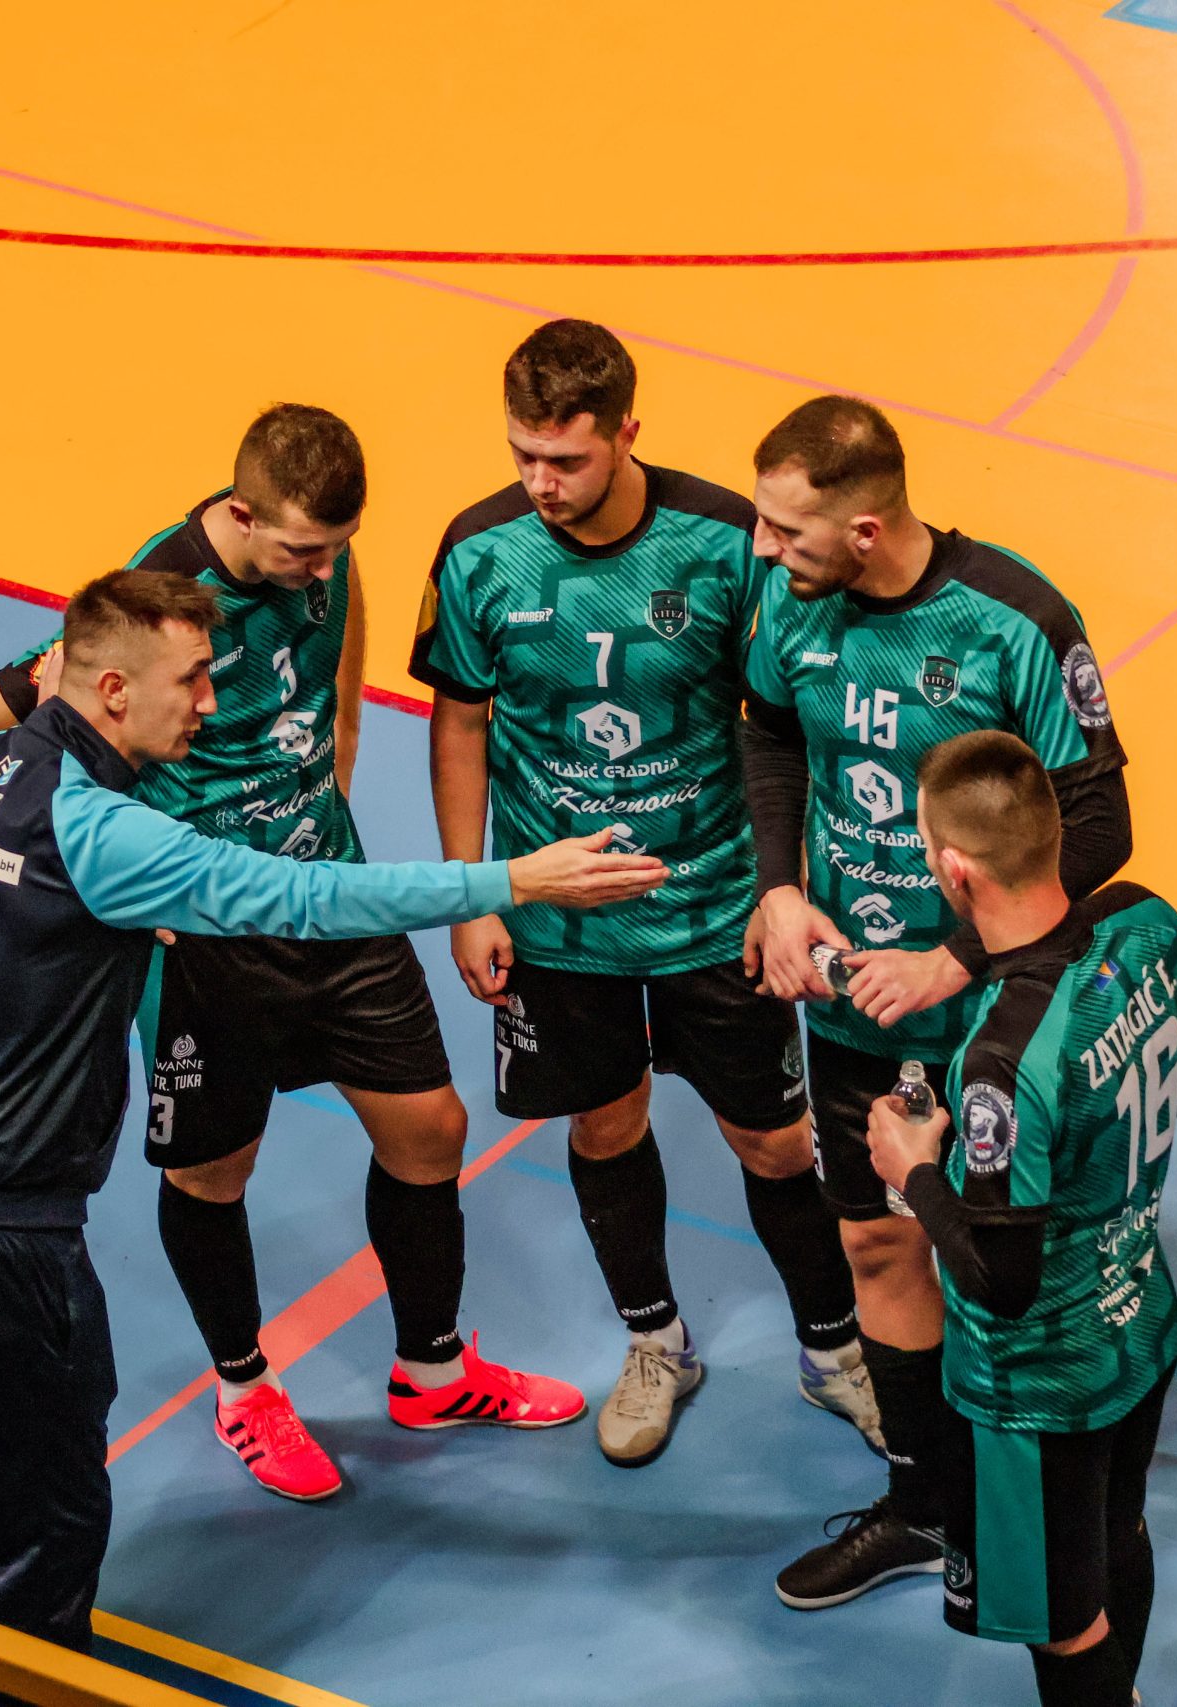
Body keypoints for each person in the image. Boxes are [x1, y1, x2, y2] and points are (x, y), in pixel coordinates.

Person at [0, 570, 660, 1694]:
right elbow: (304, 898)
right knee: (52, 1500)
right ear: (111, 690)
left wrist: (62, 925)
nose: (209, 700)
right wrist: (513, 880)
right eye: (192, 680)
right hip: (5, 1220)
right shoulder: (104, 832)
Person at [0, 405, 576, 1503]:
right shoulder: (158, 593)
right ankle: (244, 1389)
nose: (322, 569)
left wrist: (336, 764)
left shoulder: (323, 558)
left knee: (431, 1128)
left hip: (327, 891)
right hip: (208, 935)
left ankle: (431, 1371)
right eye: (302, 551)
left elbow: (335, 664)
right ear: (241, 513)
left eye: (336, 548)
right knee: (212, 1170)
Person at [409, 320, 870, 1467]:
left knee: (774, 1141)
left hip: (716, 907)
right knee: (605, 1122)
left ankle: (835, 1352)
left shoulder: (722, 543)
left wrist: (782, 887)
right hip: (561, 921)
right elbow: (460, 722)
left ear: (626, 434)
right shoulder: (478, 552)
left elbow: (780, 724)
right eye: (522, 455)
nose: (541, 483)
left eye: (565, 459)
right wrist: (472, 892)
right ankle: (656, 1341)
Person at [739, 395, 1134, 1608]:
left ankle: (1035, 1507)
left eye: (785, 529)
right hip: (854, 1011)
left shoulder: (1015, 622)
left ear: (864, 530)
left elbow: (1102, 825)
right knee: (874, 1239)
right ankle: (920, 1506)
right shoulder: (790, 601)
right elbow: (770, 734)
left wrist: (954, 960)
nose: (761, 549)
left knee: (1006, 1272)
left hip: (993, 1026)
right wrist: (779, 889)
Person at [864, 732, 1177, 1707]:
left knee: (1061, 1624)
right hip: (1139, 1318)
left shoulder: (1002, 1060)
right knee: (1117, 1534)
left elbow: (998, 1279)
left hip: (1040, 1387)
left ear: (954, 870)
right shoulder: (1147, 922)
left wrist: (915, 1172)